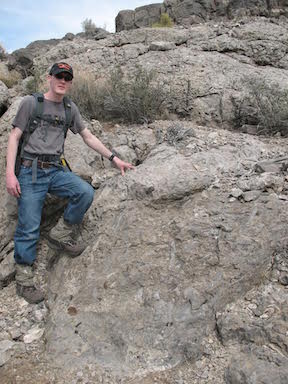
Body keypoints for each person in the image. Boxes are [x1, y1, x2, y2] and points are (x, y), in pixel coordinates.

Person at [6, 62, 134, 304]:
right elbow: (14, 137)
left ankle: (60, 234)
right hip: (30, 172)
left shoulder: (69, 108)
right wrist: (10, 175)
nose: (63, 80)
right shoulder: (31, 103)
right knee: (28, 227)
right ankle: (24, 281)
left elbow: (87, 136)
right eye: (59, 76)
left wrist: (114, 158)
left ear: (70, 82)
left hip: (54, 169)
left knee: (84, 192)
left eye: (67, 77)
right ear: (49, 78)